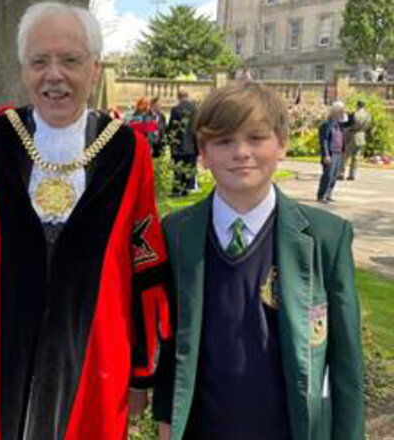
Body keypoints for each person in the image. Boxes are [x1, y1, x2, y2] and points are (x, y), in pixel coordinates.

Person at [0, 3, 171, 440]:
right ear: (23, 69)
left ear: (94, 68)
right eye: (39, 62)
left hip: (94, 358)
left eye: (70, 60)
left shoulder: (130, 151)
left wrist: (140, 373)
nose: (54, 75)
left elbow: (142, 262)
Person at [153, 81, 363, 440]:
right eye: (223, 141)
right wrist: (165, 418)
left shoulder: (326, 236)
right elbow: (172, 339)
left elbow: (346, 366)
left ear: (282, 143)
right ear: (203, 152)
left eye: (256, 138)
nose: (241, 152)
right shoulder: (177, 233)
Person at [316, 101, 349, 203]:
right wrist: (326, 154)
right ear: (335, 112)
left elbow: (351, 120)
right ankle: (322, 195)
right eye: (341, 111)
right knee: (328, 175)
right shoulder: (327, 124)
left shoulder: (339, 125)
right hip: (330, 154)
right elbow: (324, 140)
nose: (342, 113)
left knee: (334, 176)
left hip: (338, 153)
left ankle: (329, 194)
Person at [168, 90, 198, 196]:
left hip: (179, 144)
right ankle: (186, 189)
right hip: (192, 144)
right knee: (189, 167)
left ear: (178, 97)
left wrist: (170, 141)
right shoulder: (195, 109)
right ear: (187, 96)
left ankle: (177, 190)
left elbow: (172, 127)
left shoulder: (175, 109)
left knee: (178, 168)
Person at [342, 100, 370, 180]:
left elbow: (348, 124)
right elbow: (368, 126)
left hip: (352, 135)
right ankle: (352, 174)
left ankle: (341, 173)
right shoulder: (368, 115)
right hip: (361, 136)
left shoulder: (354, 114)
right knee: (356, 157)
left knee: (345, 156)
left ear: (357, 105)